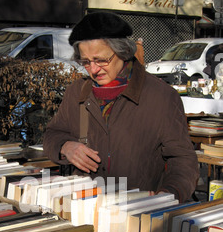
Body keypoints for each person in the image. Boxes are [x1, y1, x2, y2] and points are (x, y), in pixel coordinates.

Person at [43, 12, 199, 203]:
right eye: (85, 62)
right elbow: (51, 135)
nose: (93, 69)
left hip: (140, 213)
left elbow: (183, 159)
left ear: (123, 52)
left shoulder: (162, 97)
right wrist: (65, 147)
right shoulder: (77, 93)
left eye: (101, 60)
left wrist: (169, 194)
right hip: (86, 207)